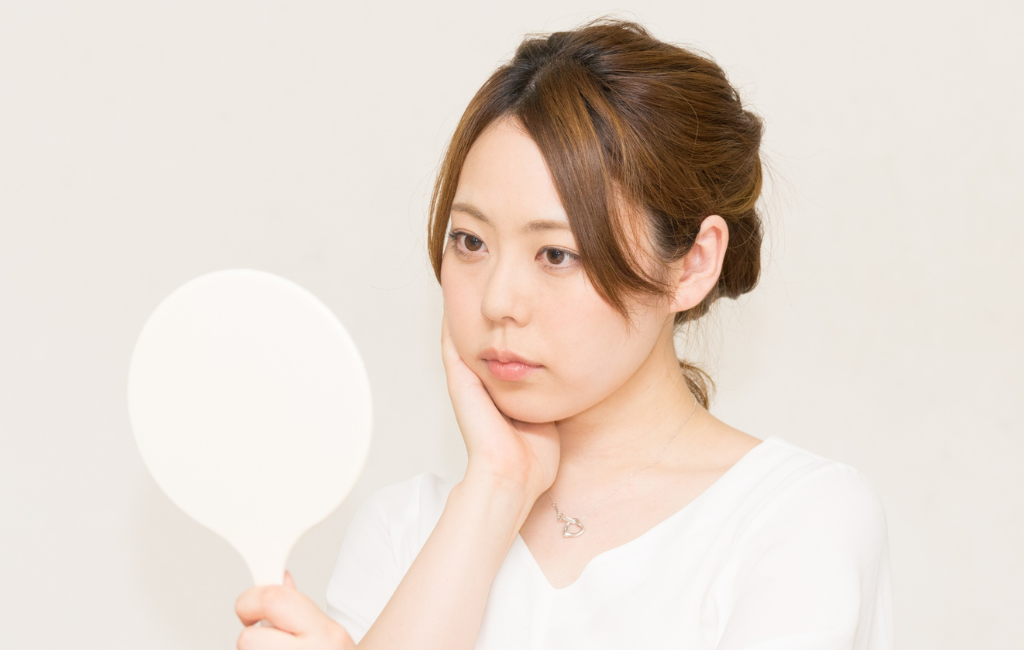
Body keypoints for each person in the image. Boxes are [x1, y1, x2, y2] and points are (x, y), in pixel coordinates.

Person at [233, 17, 892, 650]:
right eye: (470, 242)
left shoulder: (795, 517)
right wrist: (497, 485)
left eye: (556, 254)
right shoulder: (405, 529)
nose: (498, 301)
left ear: (692, 264)